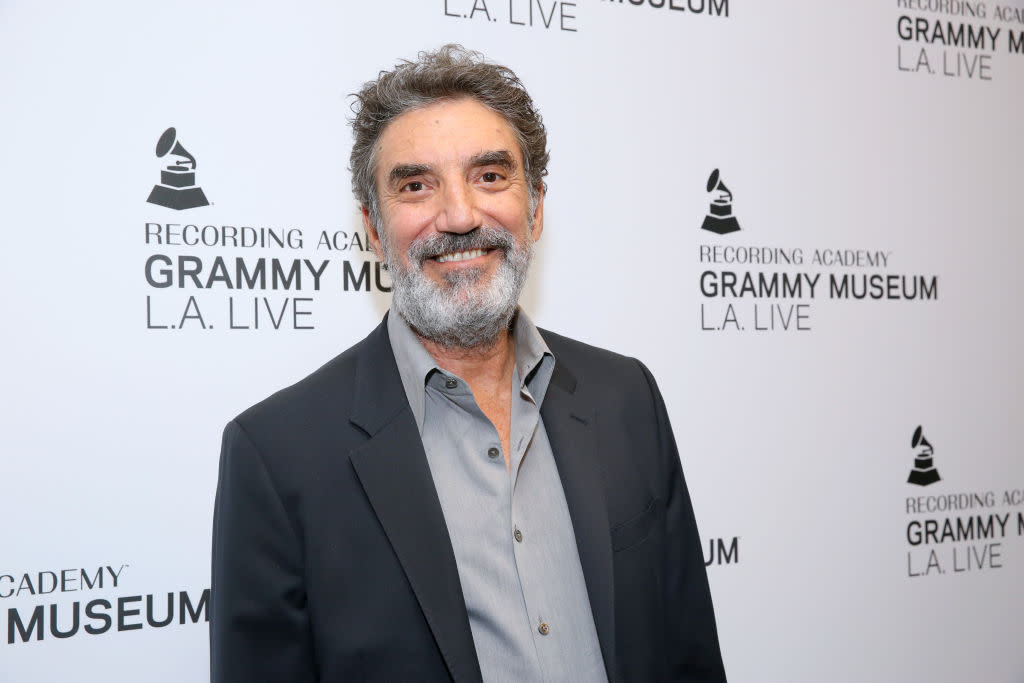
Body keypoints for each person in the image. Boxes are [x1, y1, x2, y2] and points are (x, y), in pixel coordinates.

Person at [211, 44, 726, 683]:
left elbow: (689, 655)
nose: (458, 217)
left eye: (489, 176)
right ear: (373, 228)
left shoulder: (627, 398)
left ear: (535, 207)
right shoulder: (277, 456)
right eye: (416, 185)